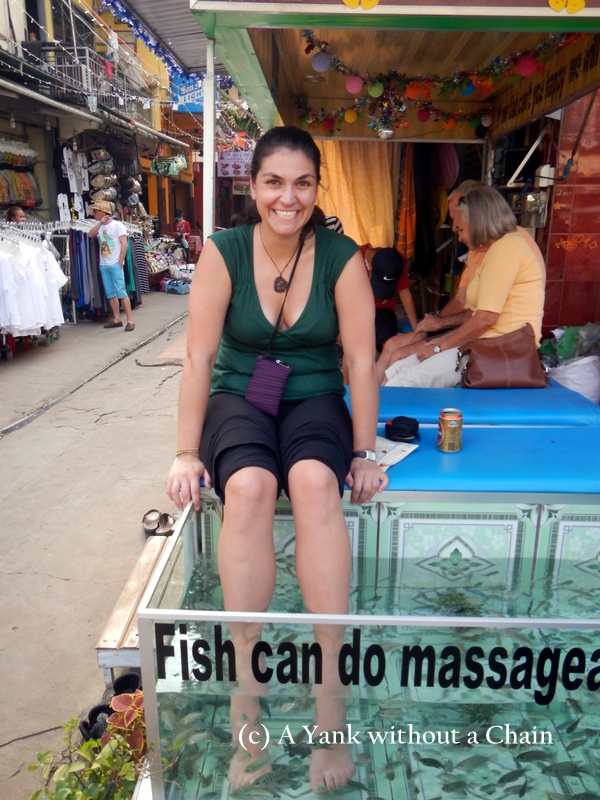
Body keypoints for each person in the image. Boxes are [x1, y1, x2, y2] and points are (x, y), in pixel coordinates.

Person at [166, 125, 388, 793]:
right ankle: (247, 683)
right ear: (252, 186)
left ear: (317, 188)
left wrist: (365, 450)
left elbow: (361, 360)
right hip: (243, 391)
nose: (288, 197)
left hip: (313, 394)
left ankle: (330, 692)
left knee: (317, 482)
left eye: (302, 183)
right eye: (274, 182)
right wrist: (183, 451)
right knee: (253, 486)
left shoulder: (344, 257)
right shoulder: (224, 251)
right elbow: (200, 357)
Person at [383, 184, 545, 387]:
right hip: (482, 344)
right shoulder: (498, 248)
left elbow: (485, 318)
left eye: (460, 229)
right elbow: (477, 315)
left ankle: (385, 418)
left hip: (499, 350)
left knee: (402, 382)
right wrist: (439, 341)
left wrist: (439, 347)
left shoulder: (507, 248)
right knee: (396, 370)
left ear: (477, 223)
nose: (458, 236)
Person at [87, 201, 135, 331]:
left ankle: (130, 320)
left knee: (121, 291)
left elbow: (124, 244)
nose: (93, 214)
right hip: (104, 263)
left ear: (102, 212)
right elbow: (90, 234)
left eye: (95, 211)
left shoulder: (117, 225)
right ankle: (117, 318)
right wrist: (100, 223)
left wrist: (120, 261)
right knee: (110, 293)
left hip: (114, 263)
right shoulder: (100, 226)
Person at [361, 243, 418, 350]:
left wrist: (417, 330)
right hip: (356, 308)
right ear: (370, 266)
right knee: (356, 345)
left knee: (389, 341)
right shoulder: (354, 259)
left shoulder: (396, 262)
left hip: (383, 309)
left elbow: (405, 294)